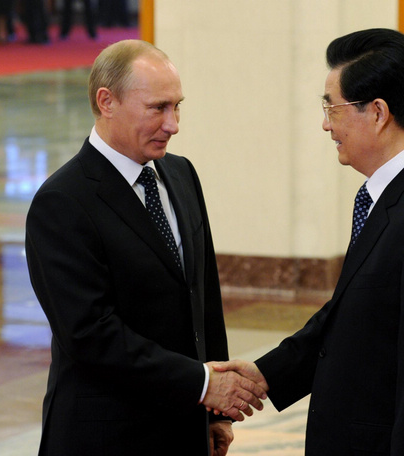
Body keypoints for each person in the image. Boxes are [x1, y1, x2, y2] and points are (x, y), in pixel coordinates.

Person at [214, 28, 404, 455]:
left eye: (332, 108)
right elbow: (354, 313)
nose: (325, 123)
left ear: (378, 112)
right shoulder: (394, 192)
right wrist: (267, 374)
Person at [25, 39, 266, 456]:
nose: (173, 124)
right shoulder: (62, 202)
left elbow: (203, 297)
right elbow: (90, 335)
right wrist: (204, 385)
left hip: (183, 427)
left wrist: (215, 414)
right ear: (107, 102)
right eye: (158, 108)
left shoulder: (181, 174)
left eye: (177, 107)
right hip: (107, 436)